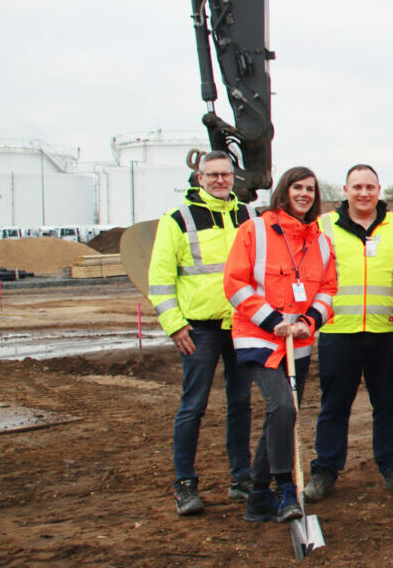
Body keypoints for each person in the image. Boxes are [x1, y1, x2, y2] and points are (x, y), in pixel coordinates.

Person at [224, 166, 337, 523]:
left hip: (298, 343)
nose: (304, 194)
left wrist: (308, 321)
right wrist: (273, 322)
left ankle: (258, 496)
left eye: (310, 189)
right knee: (284, 409)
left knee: (281, 417)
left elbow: (328, 288)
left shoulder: (320, 239)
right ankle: (284, 487)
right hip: (258, 338)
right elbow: (235, 283)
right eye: (297, 187)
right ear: (285, 190)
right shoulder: (254, 229)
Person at [302, 164, 393, 503]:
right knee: (334, 406)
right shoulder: (323, 226)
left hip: (388, 330)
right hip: (340, 330)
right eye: (357, 187)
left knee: (388, 405)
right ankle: (324, 471)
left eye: (370, 186)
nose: (364, 193)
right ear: (345, 190)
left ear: (379, 189)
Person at [148, 150, 255, 516]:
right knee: (193, 405)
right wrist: (174, 325)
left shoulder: (249, 216)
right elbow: (160, 280)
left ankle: (242, 477)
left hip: (241, 324)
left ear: (233, 178)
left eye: (225, 174)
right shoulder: (177, 220)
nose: (220, 180)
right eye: (212, 175)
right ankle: (184, 484)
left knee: (241, 403)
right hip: (200, 328)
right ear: (199, 177)